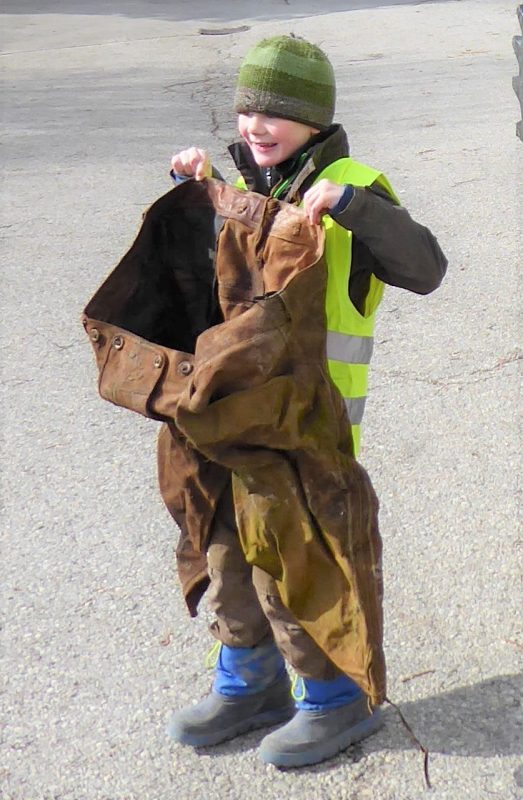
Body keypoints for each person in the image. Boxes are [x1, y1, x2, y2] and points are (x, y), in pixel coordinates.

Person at [165, 34, 447, 768]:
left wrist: (352, 207)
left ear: (315, 121)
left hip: (311, 426)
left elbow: (425, 268)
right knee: (226, 545)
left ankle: (334, 698)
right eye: (247, 109)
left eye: (276, 113)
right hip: (229, 415)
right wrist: (193, 189)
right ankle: (248, 683)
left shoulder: (354, 185)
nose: (256, 126)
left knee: (296, 560)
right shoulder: (241, 187)